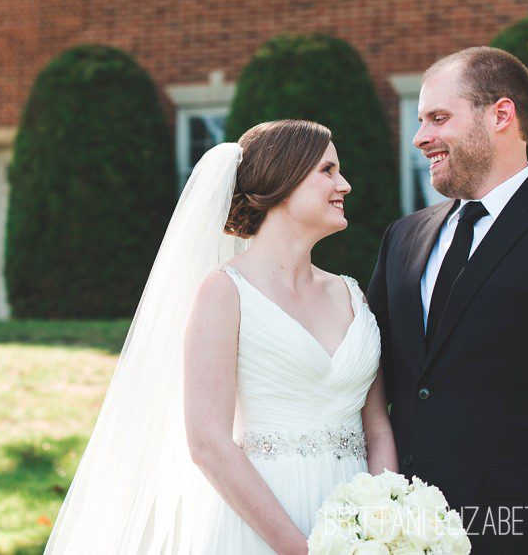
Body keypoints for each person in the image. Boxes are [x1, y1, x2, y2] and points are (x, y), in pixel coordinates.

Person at [46, 119, 396, 554]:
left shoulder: (351, 293)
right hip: (264, 520)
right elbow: (208, 442)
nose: (344, 184)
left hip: (355, 511)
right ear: (283, 180)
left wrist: (387, 521)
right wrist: (300, 549)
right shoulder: (225, 292)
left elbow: (377, 426)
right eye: (327, 170)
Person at [367, 47, 528, 554]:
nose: (419, 138)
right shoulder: (403, 237)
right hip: (403, 531)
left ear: (501, 114)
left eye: (438, 118)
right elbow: (372, 379)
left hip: (523, 531)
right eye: (419, 121)